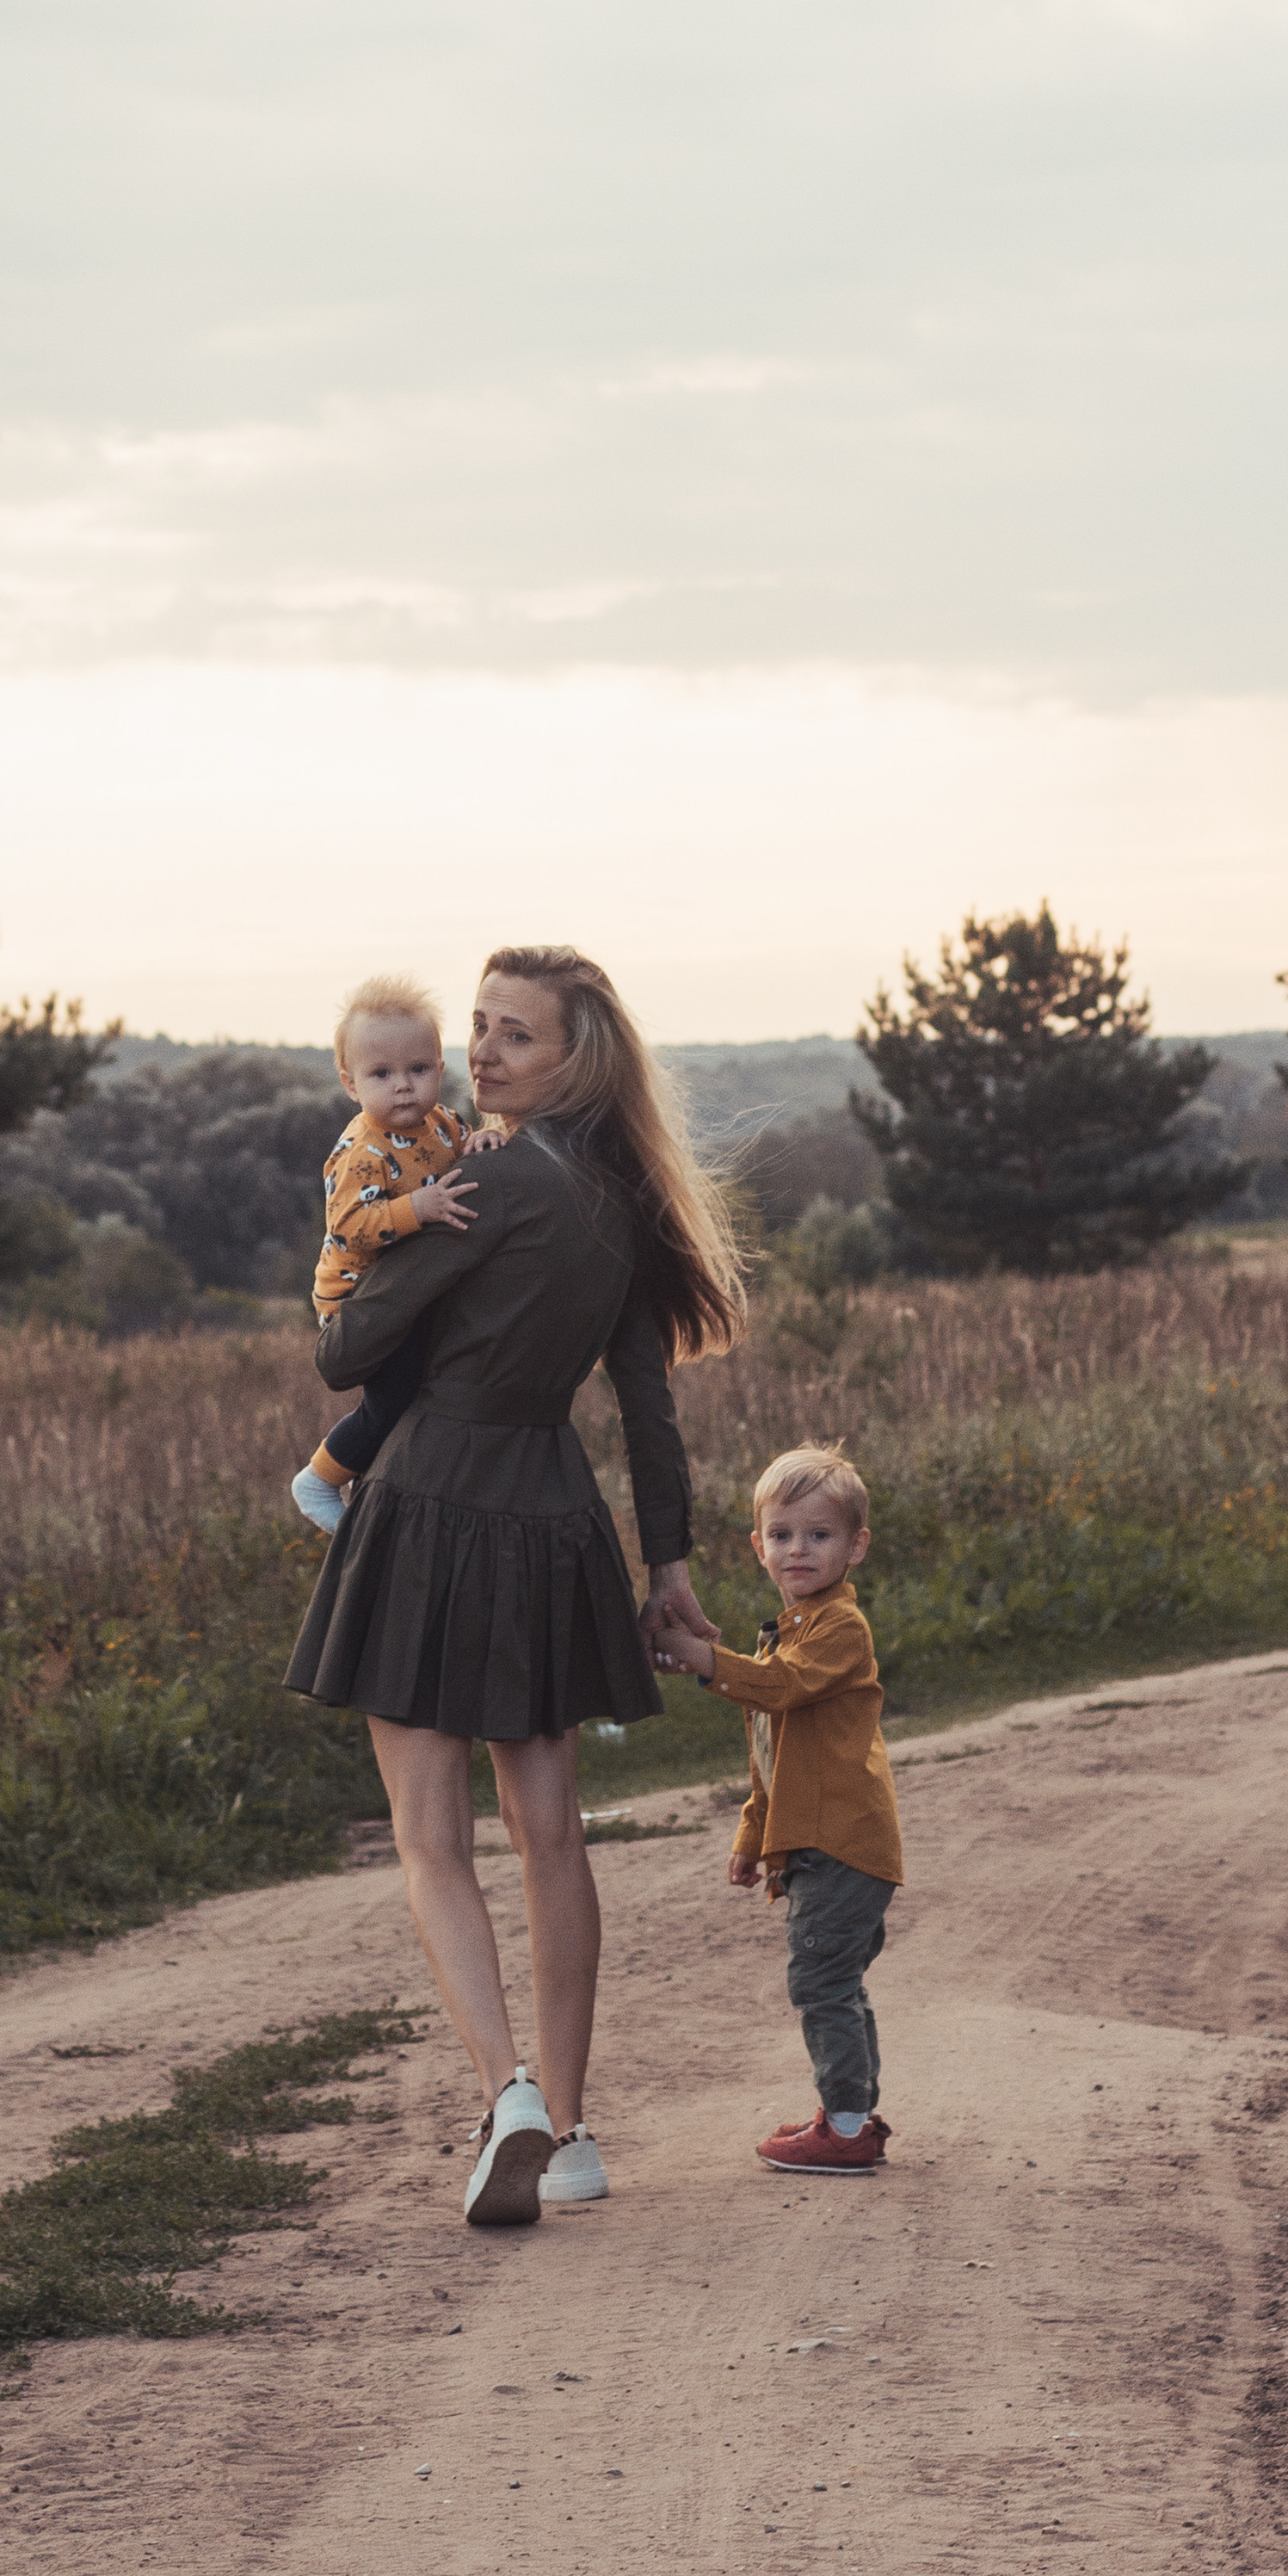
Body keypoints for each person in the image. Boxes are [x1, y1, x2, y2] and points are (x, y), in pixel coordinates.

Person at [284, 944, 746, 2229]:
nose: (481, 1054)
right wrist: (670, 1570)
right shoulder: (628, 1201)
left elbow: (346, 1353)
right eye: (478, 1028)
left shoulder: (482, 1178)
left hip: (430, 1506)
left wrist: (376, 1248)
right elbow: (647, 1417)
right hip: (553, 1515)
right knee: (552, 1836)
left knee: (433, 1842)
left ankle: (511, 2097)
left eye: (515, 1038)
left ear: (574, 1059)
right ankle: (577, 2126)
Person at [650, 1443, 904, 2174]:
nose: (800, 1550)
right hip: (819, 1841)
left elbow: (780, 1690)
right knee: (838, 1983)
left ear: (855, 1546)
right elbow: (772, 1754)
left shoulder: (839, 1630)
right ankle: (847, 2113)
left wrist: (697, 1659)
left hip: (846, 1844)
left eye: (820, 1535)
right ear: (759, 1545)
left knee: (821, 1981)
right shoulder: (788, 1631)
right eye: (784, 1535)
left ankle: (849, 2127)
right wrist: (751, 1837)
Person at [289, 975, 504, 1535]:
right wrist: (418, 1208)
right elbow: (351, 1226)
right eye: (382, 1074)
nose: (404, 1087)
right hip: (358, 1301)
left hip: (405, 1295)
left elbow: (460, 1152)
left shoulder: (442, 1124)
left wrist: (481, 1140)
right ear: (350, 1083)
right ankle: (320, 1476)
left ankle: (379, 1483)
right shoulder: (362, 1153)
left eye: (419, 1069)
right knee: (392, 1399)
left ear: (439, 1066)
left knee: (426, 1393)